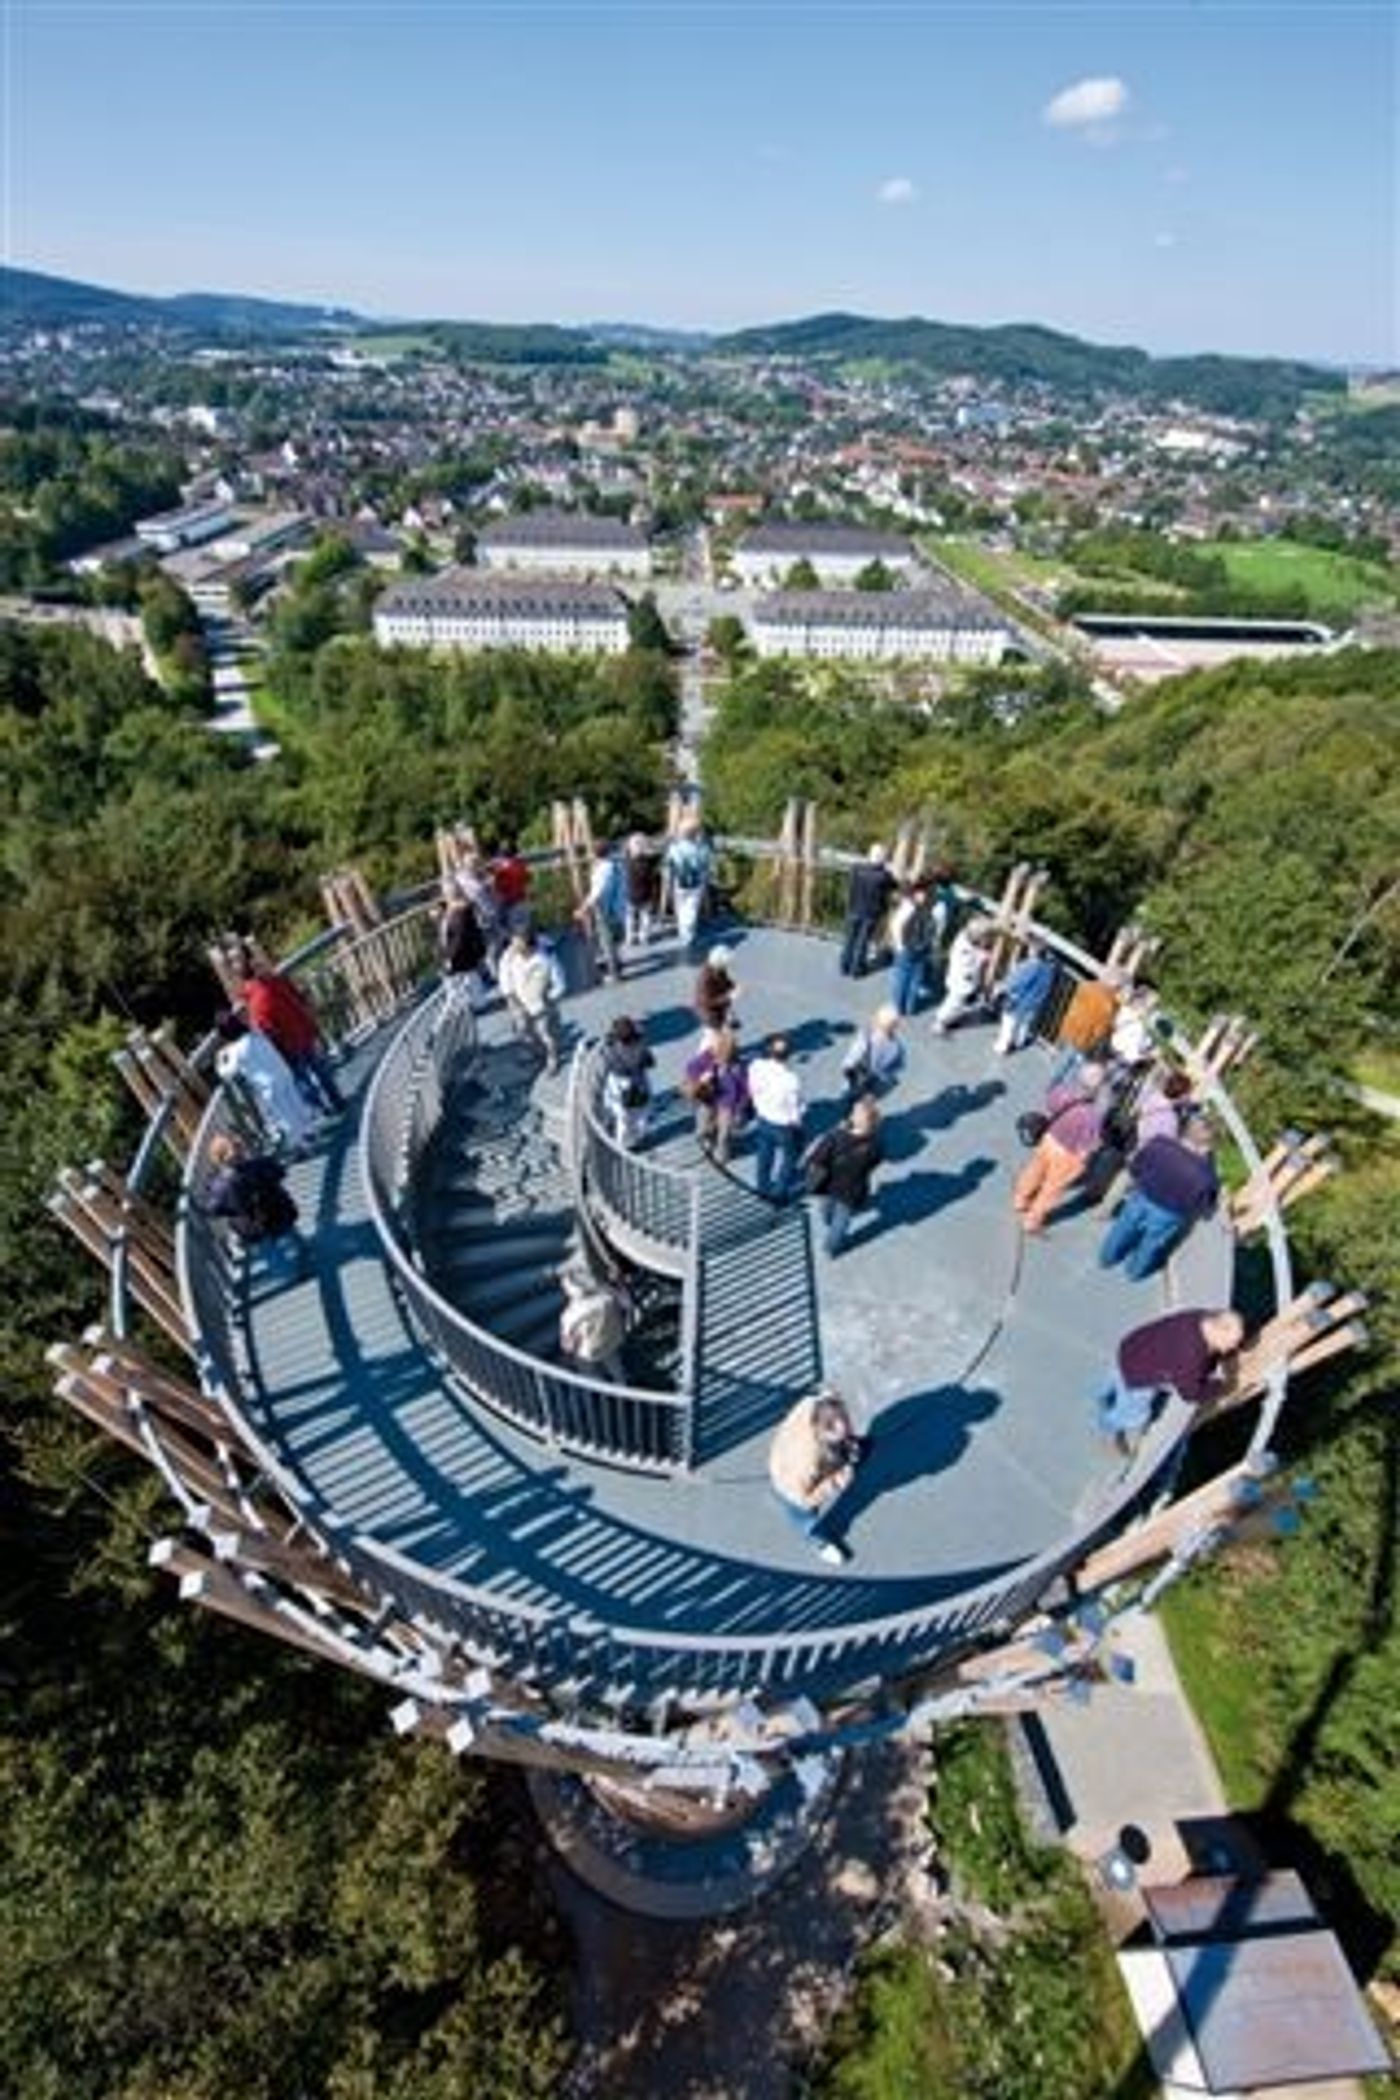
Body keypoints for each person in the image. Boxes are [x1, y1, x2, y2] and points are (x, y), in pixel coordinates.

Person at [1095, 1307, 1244, 1456]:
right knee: (1136, 1416)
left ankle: (1103, 1393)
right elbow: (1190, 1394)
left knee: (1117, 1374)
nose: (1234, 1347)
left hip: (1131, 1345)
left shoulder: (1200, 1316)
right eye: (1232, 1342)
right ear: (1218, 1331)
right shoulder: (1191, 1355)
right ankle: (1109, 1425)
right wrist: (1221, 1386)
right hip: (1137, 1374)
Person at [1099, 1116, 1221, 1280]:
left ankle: (1107, 1259)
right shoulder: (1206, 1174)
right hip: (1169, 1214)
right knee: (1152, 1243)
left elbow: (1136, 1167)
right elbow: (1203, 1206)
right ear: (1207, 1144)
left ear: (1185, 1131)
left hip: (1142, 1197)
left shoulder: (1158, 1143)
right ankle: (1134, 1273)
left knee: (1123, 1228)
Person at [236, 956, 345, 1117]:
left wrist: (309, 1026)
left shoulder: (273, 983)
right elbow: (267, 1026)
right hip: (291, 1044)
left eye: (262, 964)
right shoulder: (260, 996)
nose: (266, 966)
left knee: (314, 1073)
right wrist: (285, 1044)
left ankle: (329, 1104)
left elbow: (297, 1001)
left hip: (299, 1036)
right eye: (259, 966)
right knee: (307, 1077)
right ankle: (326, 1106)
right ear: (254, 973)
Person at [768, 1388, 864, 1565]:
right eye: (842, 1433)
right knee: (805, 1517)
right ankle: (819, 1542)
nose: (849, 1428)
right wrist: (839, 1480)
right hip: (791, 1489)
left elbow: (828, 1398)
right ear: (824, 1431)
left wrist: (846, 1438)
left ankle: (844, 1452)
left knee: (839, 1449)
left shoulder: (815, 1405)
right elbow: (804, 1500)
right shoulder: (807, 1462)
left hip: (785, 1456)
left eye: (846, 1419)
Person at [1012, 1060, 1107, 1235]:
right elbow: (1088, 1147)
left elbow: (1049, 1105)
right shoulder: (1093, 1114)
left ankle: (1020, 1199)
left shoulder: (1063, 1090)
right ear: (1098, 1086)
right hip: (1068, 1154)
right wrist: (1083, 1165)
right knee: (1052, 1188)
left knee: (1034, 1170)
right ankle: (1032, 1221)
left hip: (1049, 1139)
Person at [205, 1130, 308, 1282]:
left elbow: (214, 1209)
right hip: (276, 1209)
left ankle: (289, 1274)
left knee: (270, 1251)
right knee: (288, 1231)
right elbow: (279, 1172)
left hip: (251, 1224)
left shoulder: (221, 1185)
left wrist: (231, 1211)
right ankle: (303, 1251)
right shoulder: (259, 1164)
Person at [214, 1010, 318, 1153]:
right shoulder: (257, 1034)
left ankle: (303, 1146)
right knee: (296, 1106)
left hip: (269, 1086)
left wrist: (220, 1059)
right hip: (284, 1073)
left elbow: (227, 1072)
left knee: (286, 1118)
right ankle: (310, 1131)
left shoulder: (235, 1051)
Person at [804, 1096, 882, 1257]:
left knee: (826, 1209)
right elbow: (875, 1162)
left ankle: (828, 1221)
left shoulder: (835, 1137)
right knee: (843, 1219)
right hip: (854, 1188)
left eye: (854, 1112)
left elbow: (817, 1159)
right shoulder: (875, 1144)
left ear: (854, 1118)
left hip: (829, 1184)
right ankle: (830, 1247)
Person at [497, 925, 561, 1073]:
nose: (514, 946)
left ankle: (552, 1058)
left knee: (545, 1033)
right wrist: (509, 995)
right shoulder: (510, 957)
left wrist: (549, 998)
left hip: (540, 1005)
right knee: (523, 1031)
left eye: (518, 943)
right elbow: (505, 976)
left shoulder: (545, 959)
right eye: (514, 942)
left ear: (528, 944)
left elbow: (559, 984)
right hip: (518, 1002)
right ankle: (534, 1052)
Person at [748, 1034, 806, 1201]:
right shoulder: (791, 1079)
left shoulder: (756, 1066)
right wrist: (798, 1125)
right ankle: (779, 1193)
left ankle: (762, 1187)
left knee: (764, 1154)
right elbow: (794, 1107)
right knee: (790, 1157)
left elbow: (752, 1089)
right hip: (783, 1125)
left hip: (763, 1118)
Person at [683, 1026, 751, 1163]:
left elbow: (744, 1088)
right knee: (704, 1126)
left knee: (725, 1133)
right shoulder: (706, 1058)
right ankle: (707, 1139)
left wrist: (740, 1107)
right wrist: (701, 1079)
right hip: (709, 1099)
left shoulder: (738, 1067)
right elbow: (691, 1069)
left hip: (728, 1103)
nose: (724, 1059)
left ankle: (722, 1154)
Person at [559, 1263, 630, 1385]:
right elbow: (626, 1303)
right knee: (615, 1367)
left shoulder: (570, 1315)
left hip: (588, 1351)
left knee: (588, 1374)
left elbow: (568, 1344)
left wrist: (567, 1357)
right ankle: (621, 1386)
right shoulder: (608, 1297)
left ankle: (600, 1390)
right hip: (610, 1342)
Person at [1052, 969, 1124, 1083]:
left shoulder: (1086, 986)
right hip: (1086, 1039)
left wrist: (1063, 1028)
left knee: (1061, 1064)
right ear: (1116, 985)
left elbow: (1072, 1008)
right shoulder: (1111, 1004)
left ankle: (1052, 1087)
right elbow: (1101, 1029)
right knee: (1072, 1071)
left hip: (1071, 1028)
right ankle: (1058, 1093)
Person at [839, 843, 897, 978]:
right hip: (871, 913)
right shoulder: (884, 876)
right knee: (862, 942)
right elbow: (894, 885)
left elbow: (851, 887)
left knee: (850, 939)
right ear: (882, 858)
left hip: (854, 909)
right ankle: (856, 970)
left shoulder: (856, 869)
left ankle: (844, 966)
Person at [930, 916, 994, 1036]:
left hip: (959, 979)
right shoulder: (965, 949)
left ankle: (950, 1019)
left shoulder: (964, 939)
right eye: (984, 937)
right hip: (960, 981)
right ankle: (940, 1022)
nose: (986, 941)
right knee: (953, 1003)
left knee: (957, 1003)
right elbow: (968, 966)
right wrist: (982, 958)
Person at [994, 941, 1057, 1057]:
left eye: (1030, 949)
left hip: (1019, 1001)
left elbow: (1016, 982)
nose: (1028, 950)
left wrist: (1001, 987)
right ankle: (1019, 1042)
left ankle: (1002, 1047)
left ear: (1033, 952)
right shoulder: (1048, 969)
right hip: (1035, 1003)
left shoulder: (1029, 965)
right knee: (1024, 1024)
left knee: (1009, 1023)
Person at [600, 1015, 654, 1148]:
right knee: (638, 1113)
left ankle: (623, 1143)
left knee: (624, 1115)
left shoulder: (610, 1047)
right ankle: (635, 1140)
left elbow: (610, 1064)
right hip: (636, 1081)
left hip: (622, 1082)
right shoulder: (640, 1045)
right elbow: (650, 1061)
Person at [665, 812, 714, 952]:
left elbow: (669, 865)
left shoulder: (674, 848)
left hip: (679, 882)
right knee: (691, 908)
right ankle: (688, 933)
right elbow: (707, 865)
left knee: (680, 908)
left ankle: (683, 932)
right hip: (696, 884)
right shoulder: (702, 848)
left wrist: (668, 880)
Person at [576, 839, 624, 981]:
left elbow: (597, 892)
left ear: (595, 854)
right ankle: (617, 963)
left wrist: (583, 909)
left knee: (607, 941)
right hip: (618, 908)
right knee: (614, 939)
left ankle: (614, 973)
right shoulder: (617, 865)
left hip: (606, 909)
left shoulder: (602, 870)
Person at [438, 883, 490, 1012]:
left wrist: (449, 956)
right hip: (463, 950)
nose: (446, 894)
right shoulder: (452, 908)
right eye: (445, 892)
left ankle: (465, 1006)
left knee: (461, 978)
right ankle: (475, 1002)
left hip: (462, 951)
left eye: (449, 891)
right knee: (469, 977)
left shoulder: (461, 910)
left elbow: (459, 937)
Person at [842, 1004, 906, 1104]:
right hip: (878, 1080)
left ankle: (850, 1104)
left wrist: (847, 1064)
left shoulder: (866, 1037)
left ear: (876, 1021)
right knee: (866, 1100)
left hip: (860, 1072)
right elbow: (899, 1065)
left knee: (852, 1092)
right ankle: (860, 1109)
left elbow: (855, 1053)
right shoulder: (897, 1046)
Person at [888, 880, 934, 1016]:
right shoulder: (930, 911)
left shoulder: (908, 907)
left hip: (906, 948)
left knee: (901, 977)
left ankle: (897, 1007)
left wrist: (899, 946)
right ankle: (910, 1007)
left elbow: (896, 926)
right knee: (915, 979)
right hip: (922, 950)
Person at [455, 854, 504, 965]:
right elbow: (478, 892)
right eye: (473, 864)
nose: (476, 866)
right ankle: (494, 971)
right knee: (492, 946)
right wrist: (489, 883)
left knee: (495, 943)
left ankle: (495, 968)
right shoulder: (467, 880)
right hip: (482, 917)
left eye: (476, 863)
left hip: (490, 914)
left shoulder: (474, 876)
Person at [623, 831, 661, 951]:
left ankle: (630, 939)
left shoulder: (627, 860)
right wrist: (648, 846)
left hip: (631, 895)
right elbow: (657, 852)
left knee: (630, 918)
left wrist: (633, 845)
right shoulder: (650, 861)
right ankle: (644, 938)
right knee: (645, 917)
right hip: (646, 894)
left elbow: (625, 850)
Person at [694, 944, 740, 1038]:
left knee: (721, 1034)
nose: (727, 965)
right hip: (708, 1013)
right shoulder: (705, 978)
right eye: (725, 963)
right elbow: (707, 1002)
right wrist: (728, 997)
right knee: (712, 1037)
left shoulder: (719, 969)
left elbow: (725, 980)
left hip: (719, 1010)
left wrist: (733, 986)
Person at [490, 839, 531, 925]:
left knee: (513, 931)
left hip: (509, 904)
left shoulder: (500, 869)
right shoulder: (521, 865)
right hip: (520, 901)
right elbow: (527, 880)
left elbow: (498, 888)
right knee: (522, 929)